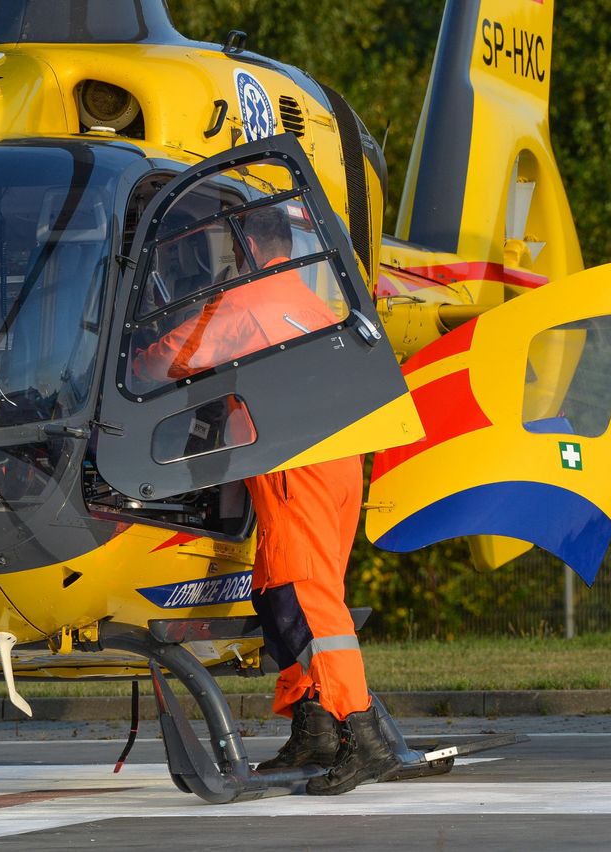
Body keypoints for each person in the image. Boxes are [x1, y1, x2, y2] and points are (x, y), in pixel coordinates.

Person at [130, 204, 400, 795]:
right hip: (335, 463)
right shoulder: (305, 301)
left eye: (227, 247)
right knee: (281, 597)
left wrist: (126, 358)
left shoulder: (248, 301)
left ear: (252, 243)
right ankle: (316, 727)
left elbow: (175, 357)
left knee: (307, 602)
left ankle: (362, 734)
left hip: (294, 468)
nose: (220, 260)